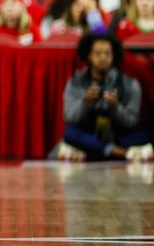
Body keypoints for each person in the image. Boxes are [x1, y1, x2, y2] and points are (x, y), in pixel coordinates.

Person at [61, 33, 152, 161]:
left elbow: (132, 121)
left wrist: (116, 108)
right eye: (98, 54)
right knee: (70, 133)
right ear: (89, 55)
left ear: (114, 56)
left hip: (118, 135)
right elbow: (69, 117)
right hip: (90, 134)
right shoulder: (76, 82)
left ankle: (99, 150)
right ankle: (120, 153)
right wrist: (85, 103)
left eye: (108, 54)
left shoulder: (130, 84)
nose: (103, 58)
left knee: (143, 135)